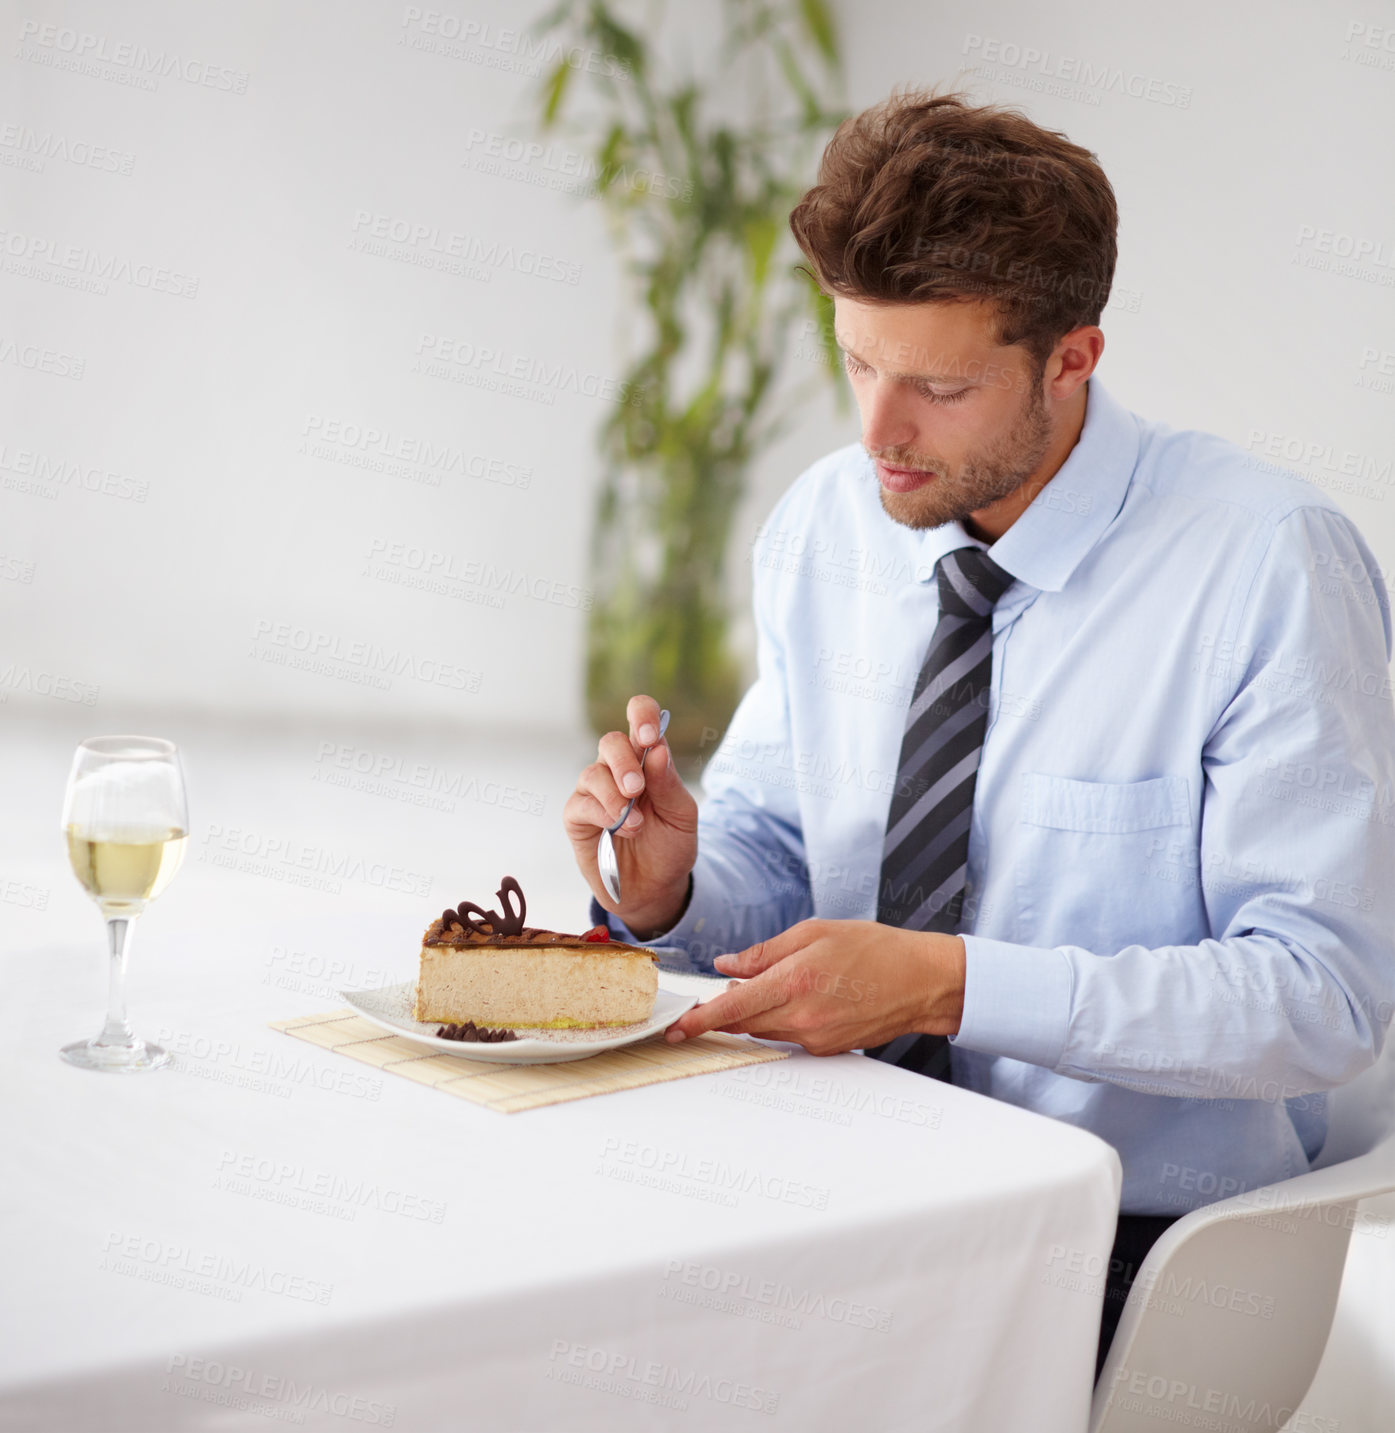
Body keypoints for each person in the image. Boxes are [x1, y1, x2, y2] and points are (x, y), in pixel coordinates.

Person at [562, 87, 1395, 1380]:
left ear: (1074, 359)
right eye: (857, 364)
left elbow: (1321, 997)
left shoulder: (1266, 565)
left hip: (1121, 1234)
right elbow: (783, 858)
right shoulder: (828, 526)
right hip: (841, 1164)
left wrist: (951, 981)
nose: (877, 435)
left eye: (939, 387)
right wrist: (676, 880)